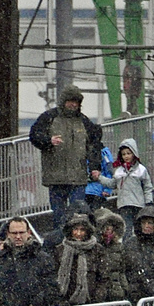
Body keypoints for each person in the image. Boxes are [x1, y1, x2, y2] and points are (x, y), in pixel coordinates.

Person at [28, 85, 105, 224]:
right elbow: (34, 135)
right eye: (71, 101)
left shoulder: (84, 121)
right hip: (56, 177)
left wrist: (95, 167)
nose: (73, 104)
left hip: (78, 178)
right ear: (63, 101)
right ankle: (62, 241)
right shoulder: (49, 117)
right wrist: (48, 141)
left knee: (78, 215)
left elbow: (94, 146)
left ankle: (75, 240)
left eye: (76, 102)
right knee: (59, 215)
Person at [0, 216, 54, 306]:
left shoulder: (42, 258)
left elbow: (50, 286)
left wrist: (35, 305)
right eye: (14, 233)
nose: (18, 236)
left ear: (28, 233)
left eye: (21, 232)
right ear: (8, 234)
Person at [108, 139, 154, 217]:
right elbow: (112, 184)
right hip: (124, 205)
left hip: (138, 205)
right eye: (123, 154)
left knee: (138, 227)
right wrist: (99, 178)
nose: (126, 156)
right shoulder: (119, 171)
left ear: (134, 153)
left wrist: (149, 201)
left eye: (128, 153)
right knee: (127, 227)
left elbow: (147, 187)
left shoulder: (141, 169)